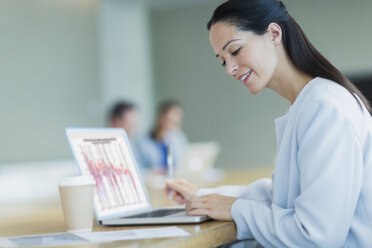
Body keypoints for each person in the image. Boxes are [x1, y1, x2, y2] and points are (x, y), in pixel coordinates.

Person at [165, 0, 372, 247]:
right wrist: (206, 198)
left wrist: (235, 208)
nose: (229, 68)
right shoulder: (307, 103)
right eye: (222, 60)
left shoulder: (324, 107)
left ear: (274, 34)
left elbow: (316, 236)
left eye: (235, 50)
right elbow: (281, 196)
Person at [138, 99, 188, 173]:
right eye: (173, 115)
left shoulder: (178, 137)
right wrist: (154, 171)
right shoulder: (143, 141)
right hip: (153, 181)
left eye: (179, 116)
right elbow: (139, 169)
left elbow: (185, 161)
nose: (176, 119)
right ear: (161, 116)